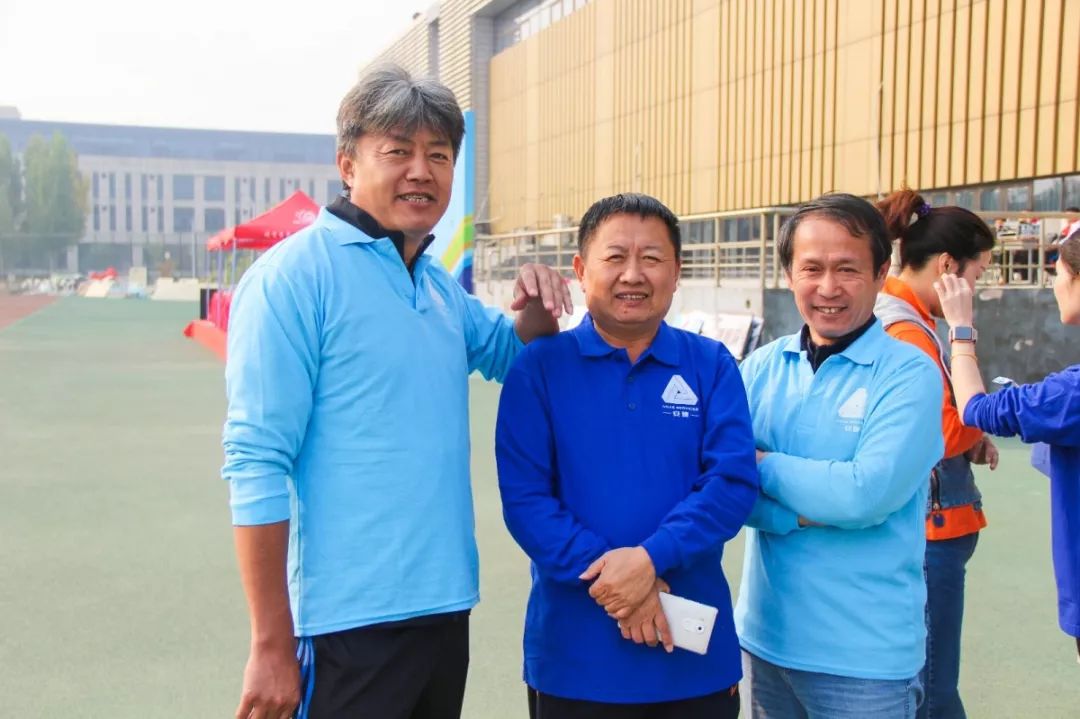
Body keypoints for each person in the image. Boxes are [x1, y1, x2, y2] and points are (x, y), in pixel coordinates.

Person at [222, 64, 571, 719]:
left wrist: (538, 300)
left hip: (444, 609)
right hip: (345, 623)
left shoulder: (437, 287)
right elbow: (255, 459)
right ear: (347, 164)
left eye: (438, 155)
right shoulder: (292, 278)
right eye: (398, 151)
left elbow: (514, 352)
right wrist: (270, 642)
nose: (421, 171)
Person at [495, 193, 758, 719]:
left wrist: (650, 559)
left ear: (677, 272)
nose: (633, 275)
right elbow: (527, 502)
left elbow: (730, 484)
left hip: (692, 660)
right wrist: (621, 583)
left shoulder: (711, 364)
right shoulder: (540, 368)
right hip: (574, 663)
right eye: (615, 257)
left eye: (652, 258)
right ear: (580, 270)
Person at [735, 193, 944, 718]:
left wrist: (761, 465)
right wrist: (798, 512)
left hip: (865, 661)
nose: (828, 288)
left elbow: (864, 494)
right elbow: (721, 486)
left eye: (848, 269)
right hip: (763, 642)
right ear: (789, 274)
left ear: (880, 273)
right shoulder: (760, 368)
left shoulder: (909, 374)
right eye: (812, 268)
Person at [874, 188, 999, 719]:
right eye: (978, 272)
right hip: (932, 529)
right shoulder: (909, 328)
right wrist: (977, 424)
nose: (977, 285)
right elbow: (942, 431)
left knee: (927, 683)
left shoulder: (903, 315)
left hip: (930, 522)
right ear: (948, 265)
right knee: (932, 688)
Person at [935, 228, 1080, 665]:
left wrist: (961, 329)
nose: (1054, 284)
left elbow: (977, 409)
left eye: (1058, 273)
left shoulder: (1070, 394)